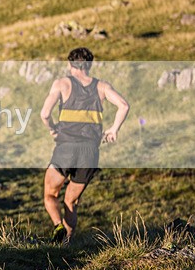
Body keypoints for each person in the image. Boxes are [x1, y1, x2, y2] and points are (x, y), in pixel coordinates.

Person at [40, 47, 129, 244]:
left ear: (70, 64)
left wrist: (52, 128)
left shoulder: (62, 83)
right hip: (90, 152)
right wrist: (114, 129)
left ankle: (58, 226)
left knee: (50, 195)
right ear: (89, 65)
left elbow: (45, 114)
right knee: (71, 202)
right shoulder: (102, 87)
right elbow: (124, 105)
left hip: (66, 148)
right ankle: (65, 245)